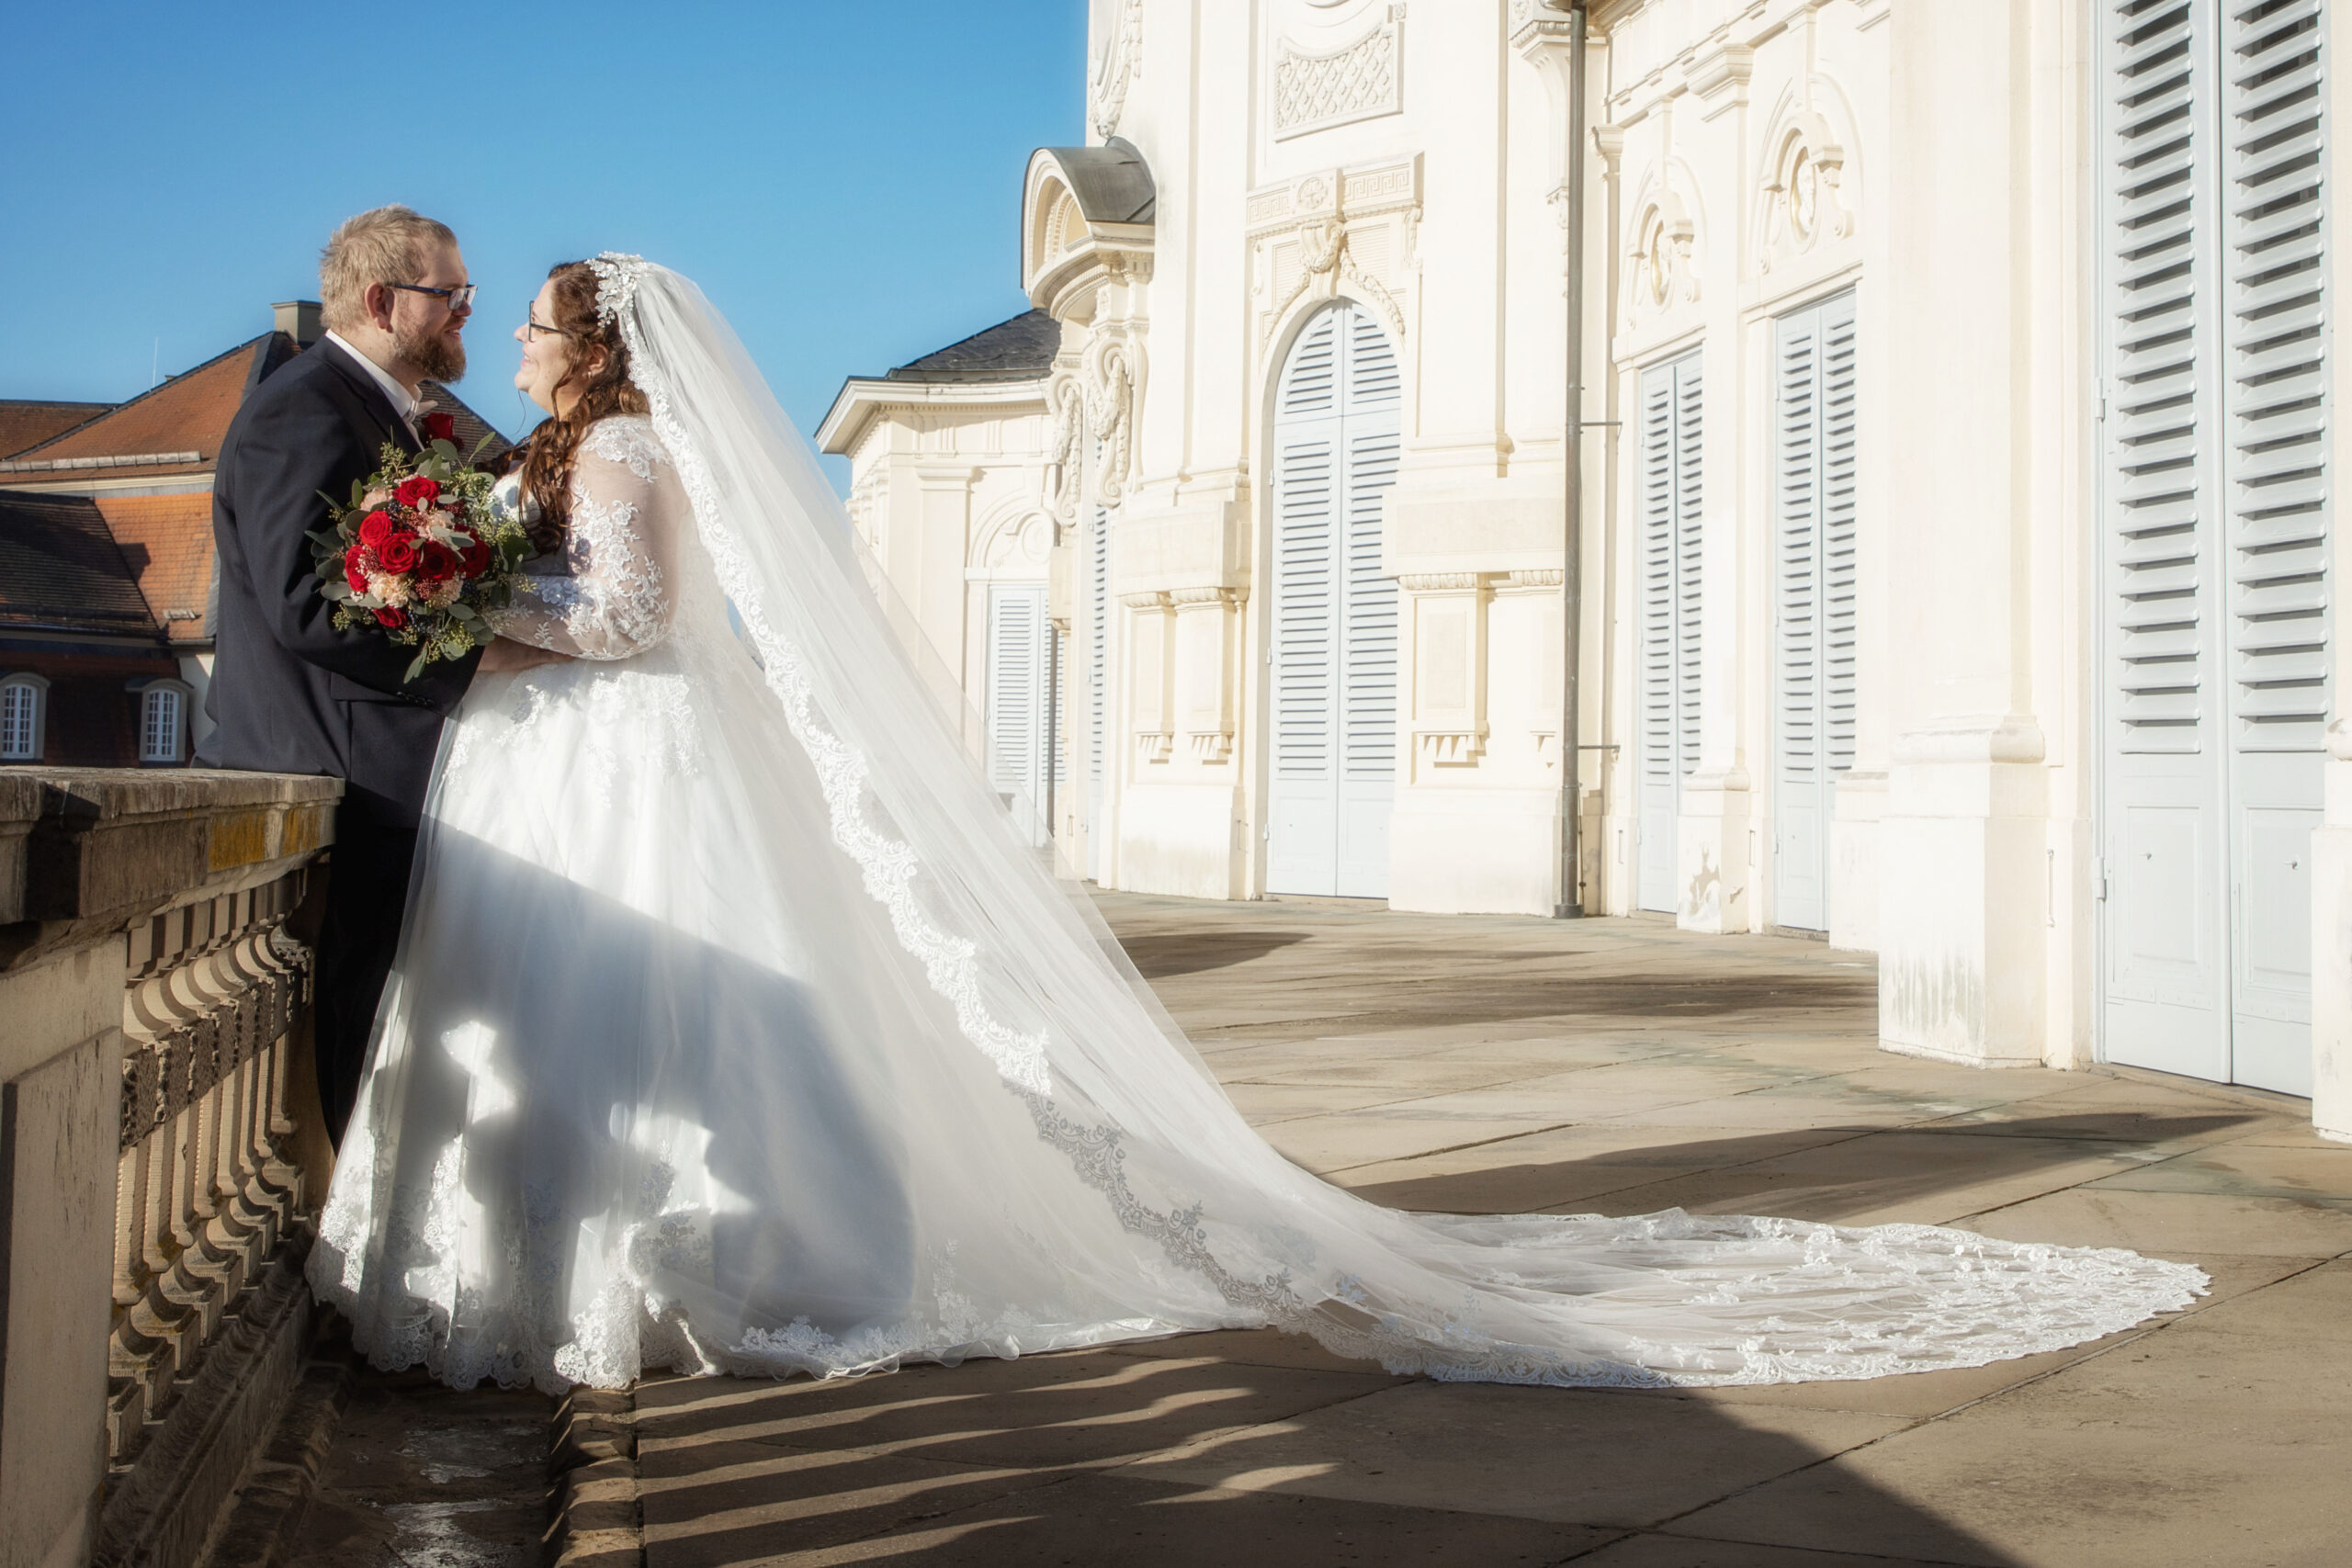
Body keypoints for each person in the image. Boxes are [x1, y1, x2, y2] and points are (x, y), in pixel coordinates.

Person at [310, 255, 2206, 1394]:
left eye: (539, 320)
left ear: (599, 344)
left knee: (660, 1032)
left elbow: (635, 622)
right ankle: (586, 1270)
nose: (522, 341)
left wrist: (481, 620)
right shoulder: (567, 449)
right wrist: (485, 611)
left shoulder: (625, 452)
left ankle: (679, 1274)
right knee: (622, 1033)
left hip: (617, 751)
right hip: (565, 765)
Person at [203, 206, 561, 1145]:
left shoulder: (387, 411)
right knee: (359, 1022)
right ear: (380, 299)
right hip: (347, 764)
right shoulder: (302, 410)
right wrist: (475, 654)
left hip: (384, 761)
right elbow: (304, 607)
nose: (467, 315)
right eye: (451, 297)